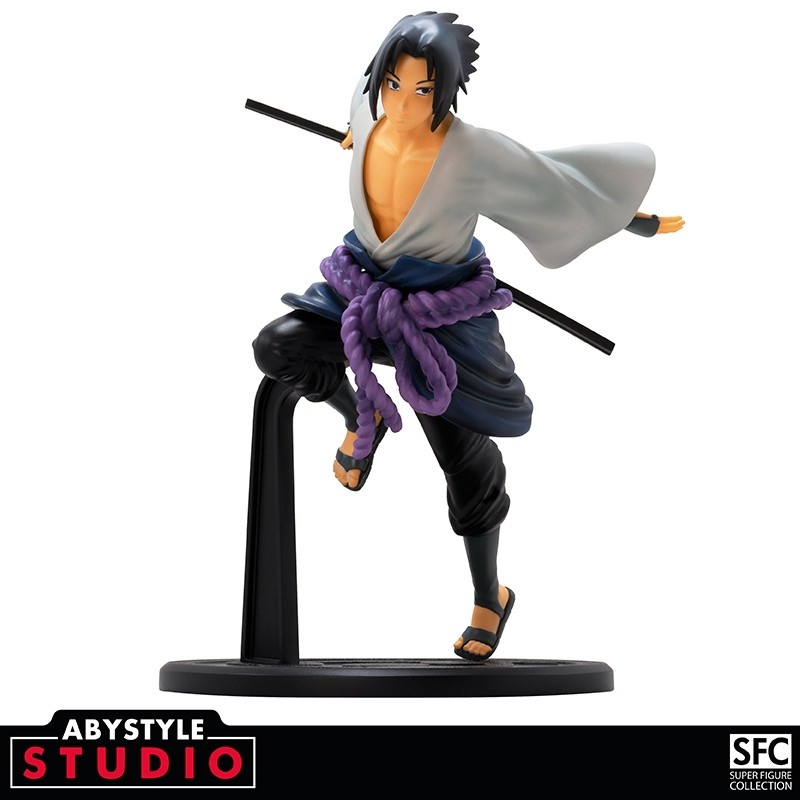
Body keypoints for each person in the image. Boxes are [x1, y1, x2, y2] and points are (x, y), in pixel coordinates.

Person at [253, 11, 683, 661]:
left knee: (463, 458)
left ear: (446, 89)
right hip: (361, 286)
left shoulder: (475, 153)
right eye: (393, 85)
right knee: (279, 347)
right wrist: (354, 135)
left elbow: (554, 185)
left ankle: (490, 594)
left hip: (440, 314)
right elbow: (361, 117)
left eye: (421, 90)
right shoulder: (365, 108)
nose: (402, 104)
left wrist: (631, 217)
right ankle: (361, 411)